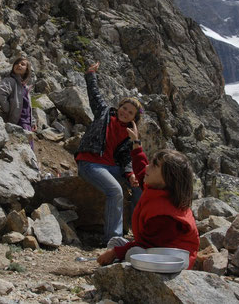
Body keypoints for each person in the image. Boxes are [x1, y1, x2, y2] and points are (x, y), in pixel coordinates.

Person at [96, 121, 200, 269]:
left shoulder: (165, 216)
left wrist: (114, 253)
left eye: (154, 166)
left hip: (174, 258)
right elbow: (140, 172)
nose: (147, 167)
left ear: (168, 178)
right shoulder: (160, 189)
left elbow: (146, 244)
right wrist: (136, 143)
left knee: (134, 251)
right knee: (117, 242)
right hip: (156, 246)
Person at [75, 61, 143, 245]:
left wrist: (130, 174)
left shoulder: (130, 134)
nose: (125, 113)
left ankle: (141, 233)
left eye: (130, 113)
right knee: (115, 191)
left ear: (134, 118)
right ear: (119, 107)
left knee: (140, 185)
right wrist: (90, 75)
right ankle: (113, 239)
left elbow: (126, 158)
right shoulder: (104, 113)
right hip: (90, 163)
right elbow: (94, 95)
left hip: (110, 167)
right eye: (124, 108)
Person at [0, 57, 37, 147]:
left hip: (27, 124)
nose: (19, 65)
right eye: (17, 63)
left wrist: (32, 122)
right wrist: (8, 110)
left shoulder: (25, 87)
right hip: (17, 122)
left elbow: (28, 107)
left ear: (27, 70)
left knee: (29, 150)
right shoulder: (10, 80)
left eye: (22, 64)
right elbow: (1, 94)